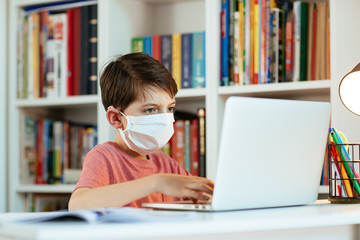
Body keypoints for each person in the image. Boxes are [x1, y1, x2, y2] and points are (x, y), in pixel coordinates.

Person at [68, 53, 214, 210]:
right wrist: (156, 183)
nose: (164, 119)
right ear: (116, 118)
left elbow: (206, 198)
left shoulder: (166, 164)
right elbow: (77, 205)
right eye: (150, 109)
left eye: (170, 108)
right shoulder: (104, 157)